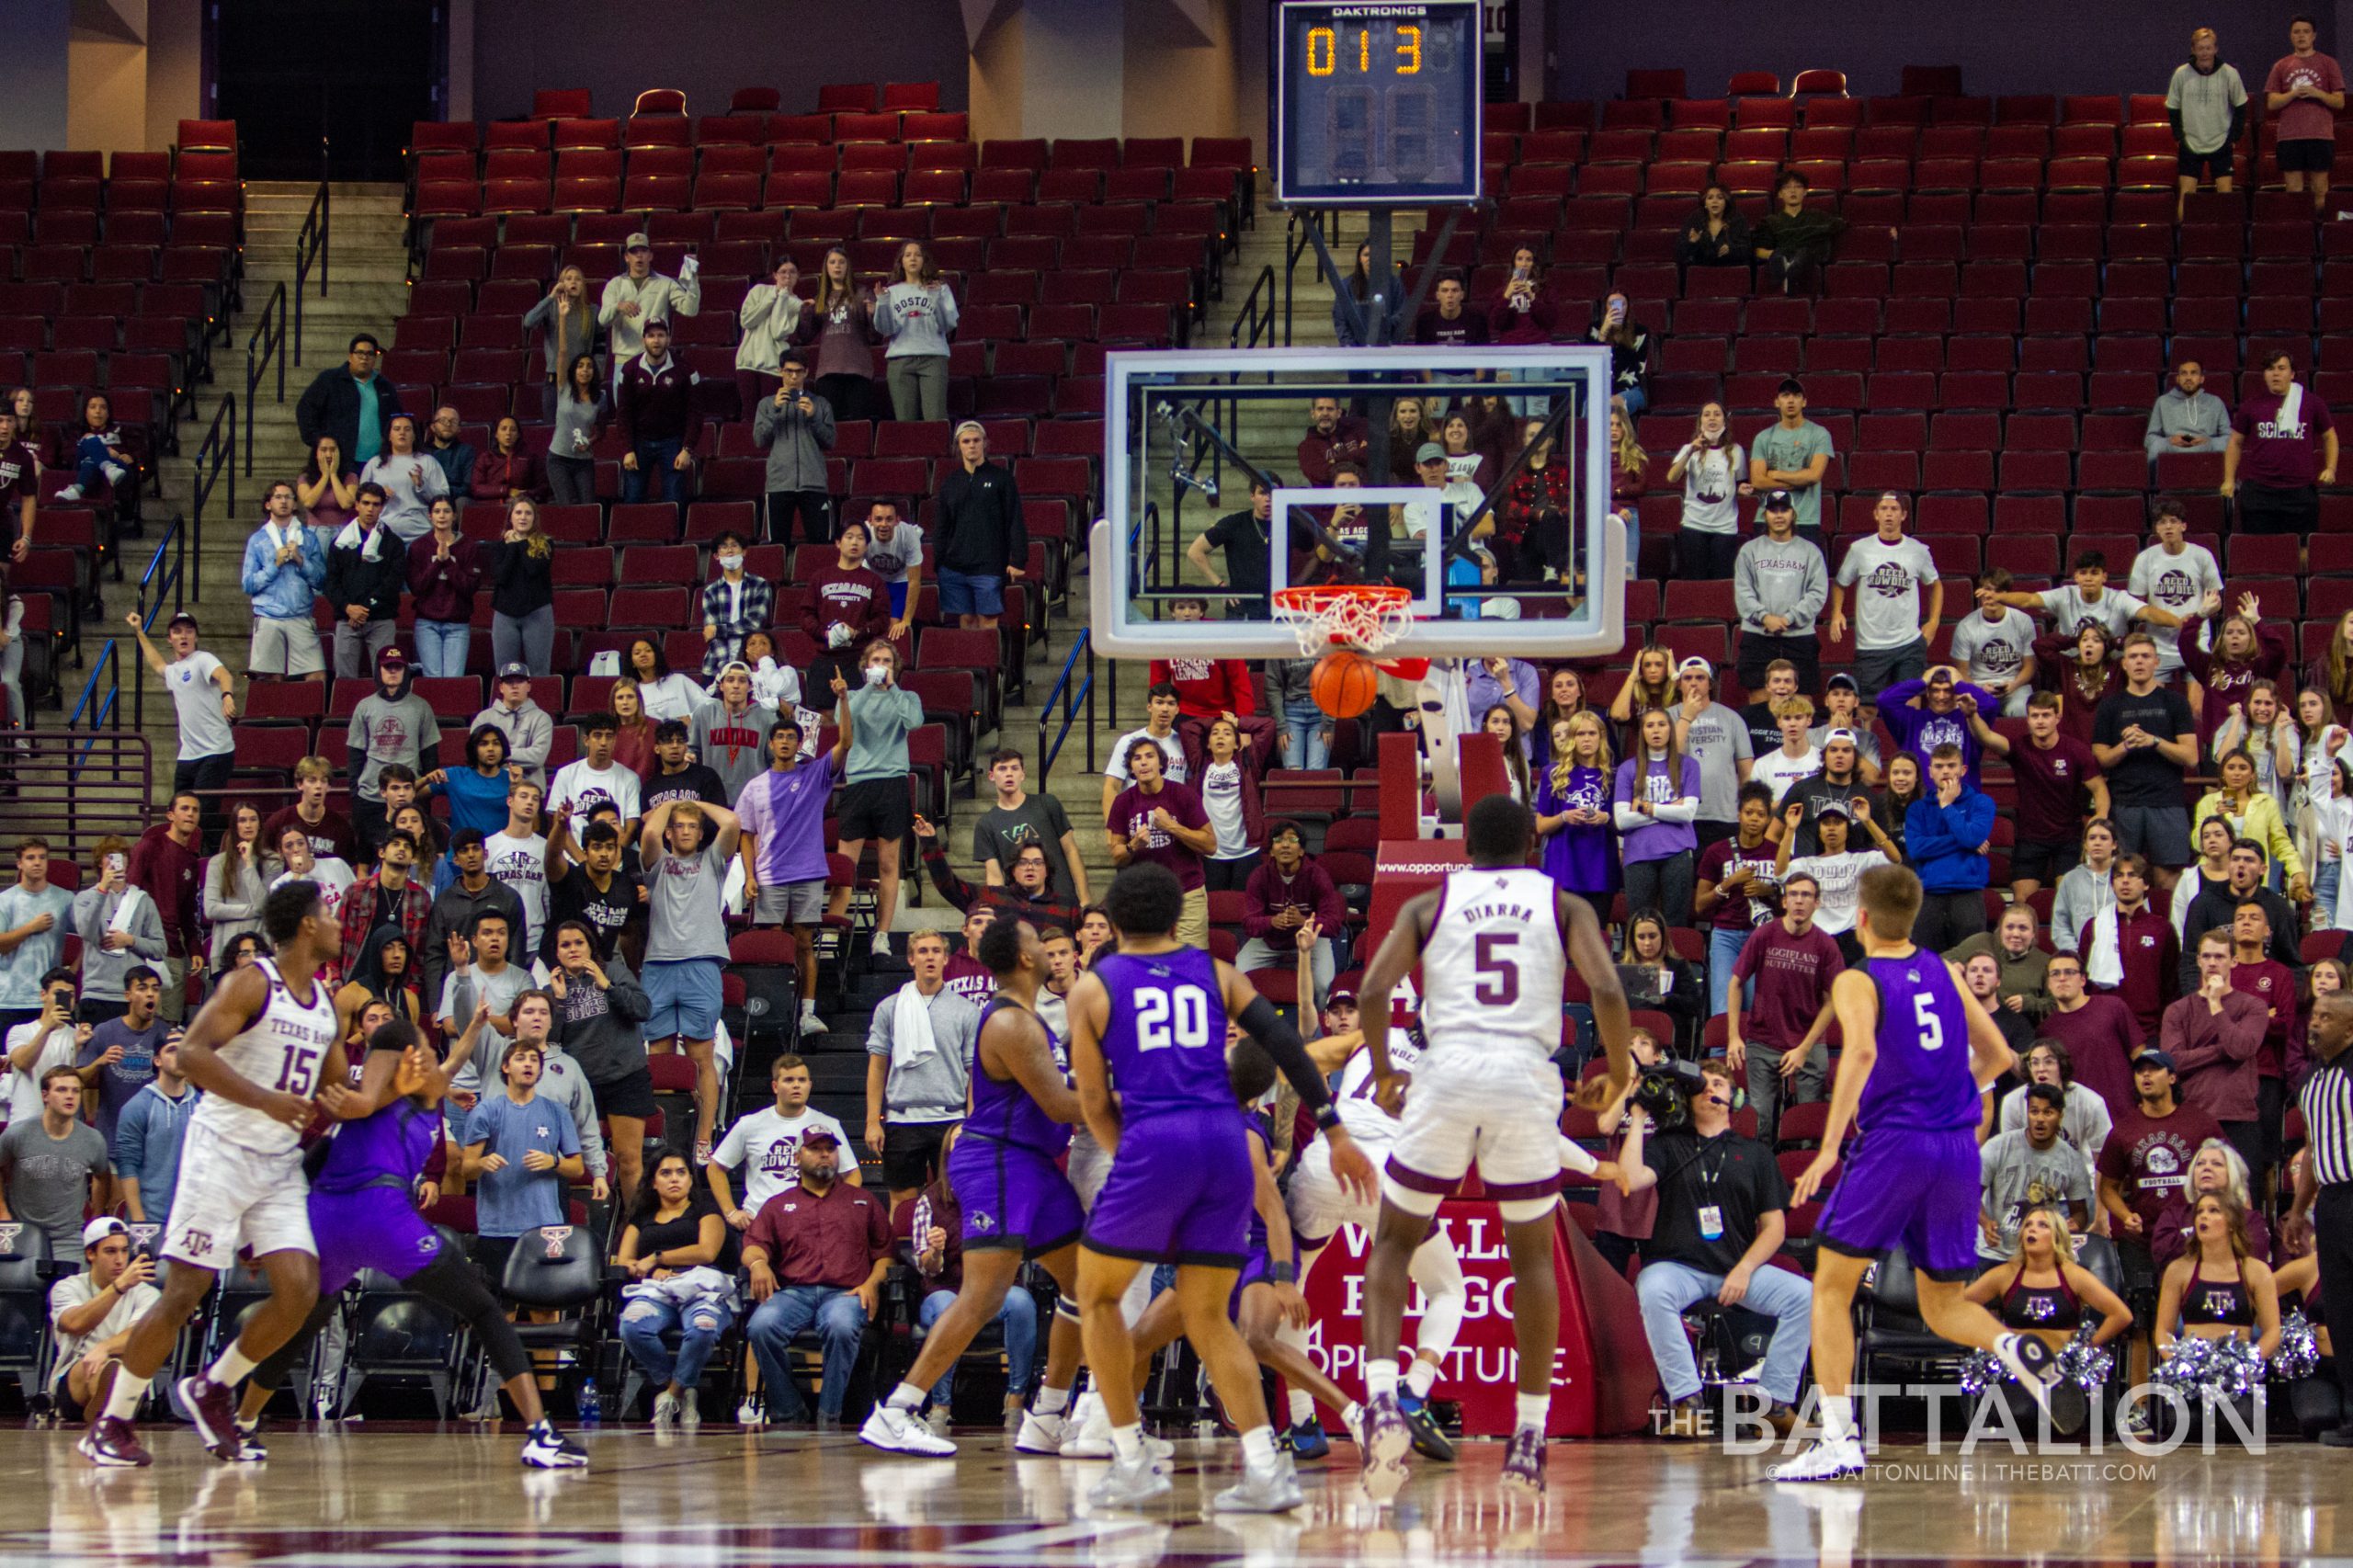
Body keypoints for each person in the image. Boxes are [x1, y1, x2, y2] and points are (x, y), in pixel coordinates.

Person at [1064, 863, 1378, 1510]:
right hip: (1228, 1143)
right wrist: (1336, 1129)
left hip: (1158, 1140)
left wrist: (1138, 1159)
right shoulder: (1216, 973)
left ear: (1116, 924)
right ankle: (1265, 1470)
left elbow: (1093, 1101)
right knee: (1208, 1315)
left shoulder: (1092, 987)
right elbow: (1288, 1044)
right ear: (1180, 919)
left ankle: (1128, 1457)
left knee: (1095, 1298)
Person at [1346, 797, 1626, 1500]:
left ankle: (1383, 1399)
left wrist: (1383, 1070)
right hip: (1525, 1076)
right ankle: (1527, 1440)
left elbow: (1375, 987)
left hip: (1446, 1070)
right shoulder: (1563, 902)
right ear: (1535, 839)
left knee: (1392, 1243)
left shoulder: (1430, 902)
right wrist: (1618, 1072)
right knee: (1530, 1257)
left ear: (1465, 843)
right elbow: (1608, 988)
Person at [1772, 865, 2081, 1482]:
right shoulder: (1943, 969)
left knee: (1830, 1287)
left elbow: (1859, 1051)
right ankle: (2014, 1350)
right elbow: (2001, 1057)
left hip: (1894, 1144)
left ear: (1859, 919)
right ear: (1912, 919)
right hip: (1957, 1149)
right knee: (1941, 1304)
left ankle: (1836, 1439)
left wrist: (1830, 1146)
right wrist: (1949, 1093)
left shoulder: (1858, 978)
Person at [75, 881, 347, 1469]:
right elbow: (192, 1055)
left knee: (301, 1290)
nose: (336, 922)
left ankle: (214, 1386)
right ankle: (112, 1422)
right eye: (327, 913)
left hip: (276, 1165)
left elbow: (339, 1091)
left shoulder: (326, 1003)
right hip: (220, 1151)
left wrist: (409, 1081)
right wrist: (266, 1099)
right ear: (304, 924)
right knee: (183, 1294)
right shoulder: (252, 982)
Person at [243, 1012, 588, 1465]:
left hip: (326, 1220)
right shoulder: (389, 1096)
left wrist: (473, 1029)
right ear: (406, 1061)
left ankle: (242, 1424)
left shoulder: (404, 1097)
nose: (434, 1059)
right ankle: (540, 1434)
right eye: (424, 1049)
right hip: (380, 1215)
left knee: (298, 1326)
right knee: (484, 1308)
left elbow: (314, 1161)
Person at [859, 917, 1093, 1456]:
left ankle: (1050, 1415)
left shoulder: (1032, 1018)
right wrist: (1150, 1103)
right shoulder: (1012, 1023)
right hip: (998, 1162)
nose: (1051, 948)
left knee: (1085, 1284)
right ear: (1026, 958)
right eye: (1039, 940)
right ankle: (898, 1410)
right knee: (985, 1294)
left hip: (1033, 1165)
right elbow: (1061, 1105)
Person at [1627, 1056, 1811, 1434]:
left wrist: (1744, 1269)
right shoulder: (1669, 1144)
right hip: (1679, 1268)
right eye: (1703, 1084)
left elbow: (1774, 1229)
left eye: (1719, 1084)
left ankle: (1774, 1404)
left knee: (1805, 1296)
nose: (1710, 1089)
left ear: (1735, 1098)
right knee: (1652, 1287)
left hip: (1737, 1270)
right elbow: (1630, 1179)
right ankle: (1687, 1402)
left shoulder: (1756, 1155)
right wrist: (1639, 1110)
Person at [740, 1126, 892, 1426]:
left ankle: (829, 1414)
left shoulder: (862, 1201)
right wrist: (758, 1265)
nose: (824, 1154)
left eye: (830, 1149)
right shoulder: (778, 1205)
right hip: (793, 1292)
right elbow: (753, 1246)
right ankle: (789, 1411)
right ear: (798, 1156)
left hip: (846, 1293)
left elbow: (885, 1254)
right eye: (815, 1148)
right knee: (760, 1325)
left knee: (841, 1325)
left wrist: (872, 1284)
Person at [637, 798, 740, 1165]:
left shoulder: (713, 861)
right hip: (659, 964)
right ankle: (661, 1136)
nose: (685, 831)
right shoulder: (657, 864)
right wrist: (671, 809)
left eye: (692, 826)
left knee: (701, 1056)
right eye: (678, 825)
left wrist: (692, 803)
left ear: (700, 834)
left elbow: (731, 822)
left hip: (701, 963)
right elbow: (648, 832)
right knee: (659, 1057)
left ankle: (702, 1138)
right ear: (670, 831)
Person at [862, 928, 980, 1213]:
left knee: (954, 1200)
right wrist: (872, 1121)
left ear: (946, 959)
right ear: (911, 959)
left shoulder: (966, 1011)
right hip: (903, 1119)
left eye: (936, 951)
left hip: (951, 1119)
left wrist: (972, 1121)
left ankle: (951, 1257)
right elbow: (878, 1066)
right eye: (923, 951)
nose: (930, 957)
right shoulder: (889, 1008)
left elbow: (974, 1072)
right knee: (902, 1205)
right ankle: (903, 1258)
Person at [2280, 989, 2353, 1444]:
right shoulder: (2311, 1082)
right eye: (2314, 1015)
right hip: (2331, 1202)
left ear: (2350, 1028)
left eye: (2327, 1016)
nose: (2315, 1022)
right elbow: (2312, 1153)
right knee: (2344, 1312)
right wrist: (2295, 1209)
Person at [616, 1146, 732, 1427]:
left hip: (701, 1287)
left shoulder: (706, 1210)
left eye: (681, 1172)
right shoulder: (641, 1218)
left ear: (691, 1180)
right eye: (665, 1173)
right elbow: (624, 1261)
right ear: (653, 1182)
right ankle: (681, 1389)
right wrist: (651, 1271)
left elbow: (707, 1252)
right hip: (657, 1291)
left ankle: (669, 1396)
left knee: (703, 1328)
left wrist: (658, 1258)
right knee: (631, 1326)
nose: (674, 1179)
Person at [1725, 869, 1843, 1142]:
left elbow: (1832, 1001)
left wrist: (1803, 1049)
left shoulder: (1826, 945)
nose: (1800, 901)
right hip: (1763, 1040)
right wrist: (1733, 1036)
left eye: (1806, 895)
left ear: (1817, 903)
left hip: (1809, 1043)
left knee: (1807, 1128)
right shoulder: (1764, 935)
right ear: (1784, 902)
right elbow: (1735, 983)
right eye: (1794, 895)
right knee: (1760, 1123)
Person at [2093, 633, 2200, 887]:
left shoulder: (2175, 702)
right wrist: (2126, 746)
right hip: (2125, 804)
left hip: (2167, 801)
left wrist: (2154, 741)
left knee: (2168, 879)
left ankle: (2168, 928)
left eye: (2145, 656)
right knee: (2124, 877)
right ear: (2124, 664)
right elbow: (2102, 758)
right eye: (2133, 657)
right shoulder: (2110, 706)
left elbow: (2191, 756)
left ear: (2157, 662)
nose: (2139, 662)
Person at [710, 1053, 858, 1230]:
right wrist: (731, 1212)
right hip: (761, 1222)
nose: (796, 1085)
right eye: (789, 1080)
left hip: (812, 1223)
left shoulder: (828, 1125)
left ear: (810, 1085)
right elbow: (716, 1167)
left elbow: (852, 1174)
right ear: (775, 1086)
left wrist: (833, 1207)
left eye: (802, 1080)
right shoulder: (749, 1124)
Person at [46, 1218, 161, 1425]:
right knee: (99, 1369)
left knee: (115, 1368)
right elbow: (75, 1323)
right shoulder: (66, 1287)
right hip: (75, 1379)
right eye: (110, 1251)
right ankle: (111, 1420)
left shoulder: (147, 1293)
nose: (120, 1260)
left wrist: (105, 1348)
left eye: (125, 1251)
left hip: (130, 1373)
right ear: (91, 1254)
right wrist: (119, 1286)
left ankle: (107, 1416)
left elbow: (142, 1335)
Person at [1829, 492, 1942, 702]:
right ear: (1876, 514)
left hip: (1908, 642)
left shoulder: (1918, 550)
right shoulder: (1859, 549)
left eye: (1894, 509)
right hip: (1870, 644)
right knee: (1867, 709)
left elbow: (1935, 584)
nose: (1889, 514)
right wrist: (1837, 613)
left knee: (1910, 705)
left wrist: (1934, 621)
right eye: (1884, 509)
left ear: (1903, 515)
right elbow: (1840, 584)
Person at [2224, 350, 2338, 537]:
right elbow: (2235, 442)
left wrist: (2331, 468)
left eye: (2281, 368)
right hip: (2259, 492)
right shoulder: (2251, 405)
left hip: (2300, 492)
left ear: (2292, 374)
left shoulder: (2312, 403)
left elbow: (2330, 436)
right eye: (2270, 369)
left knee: (2302, 548)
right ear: (2264, 375)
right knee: (2260, 548)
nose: (2275, 373)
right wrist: (2229, 479)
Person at [0, 1065, 108, 1260]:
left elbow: (102, 1176)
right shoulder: (17, 1134)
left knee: (73, 1288)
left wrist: (95, 1217)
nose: (70, 1096)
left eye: (76, 1091)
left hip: (68, 1236)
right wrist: (3, 1212)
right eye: (62, 1090)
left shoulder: (93, 1139)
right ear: (45, 1096)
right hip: (21, 1231)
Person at [1979, 1083, 2095, 1260]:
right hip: (1996, 1253)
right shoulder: (1998, 1146)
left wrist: (2074, 1224)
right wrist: (1986, 1223)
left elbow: (2079, 1211)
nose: (2040, 1119)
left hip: (2042, 1255)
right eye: (2034, 1111)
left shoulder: (2072, 1159)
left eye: (2048, 1112)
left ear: (2060, 1116)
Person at [1614, 707, 1701, 928]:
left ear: (1670, 730)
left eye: (1662, 724)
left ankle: (1673, 964)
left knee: (1675, 922)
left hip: (1678, 852)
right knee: (1639, 922)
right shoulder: (1628, 769)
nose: (1656, 730)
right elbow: (1622, 820)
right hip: (1639, 854)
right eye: (1649, 725)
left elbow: (1688, 813)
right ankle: (1639, 965)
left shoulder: (1689, 765)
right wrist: (1666, 810)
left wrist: (1645, 808)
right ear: (1642, 731)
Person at [934, 423, 1026, 631]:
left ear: (985, 443)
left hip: (989, 564)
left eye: (976, 440)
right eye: (966, 441)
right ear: (959, 446)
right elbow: (941, 526)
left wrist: (1018, 558)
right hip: (954, 566)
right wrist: (939, 562)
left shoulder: (1001, 478)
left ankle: (989, 664)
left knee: (987, 622)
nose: (972, 445)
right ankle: (969, 664)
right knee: (966, 621)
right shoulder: (950, 483)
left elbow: (1015, 519)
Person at [1733, 489, 1825, 693]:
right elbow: (1743, 592)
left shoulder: (1811, 551)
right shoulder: (1749, 550)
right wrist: (1765, 617)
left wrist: (1789, 618)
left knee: (1803, 702)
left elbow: (1817, 593)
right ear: (1765, 515)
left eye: (1784, 510)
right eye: (1773, 510)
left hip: (1799, 635)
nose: (1779, 515)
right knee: (1759, 699)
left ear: (1793, 514)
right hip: (1758, 634)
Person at [970, 748, 1086, 907]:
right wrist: (997, 910)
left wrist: (1085, 898)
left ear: (1022, 774)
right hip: (1022, 907)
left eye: (1014, 768)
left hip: (1062, 901)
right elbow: (995, 876)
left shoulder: (1047, 804)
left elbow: (1071, 850)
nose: (1009, 774)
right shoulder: (986, 824)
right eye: (1002, 769)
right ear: (991, 776)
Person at [74, 961, 170, 1152]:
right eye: (142, 988)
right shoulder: (104, 1031)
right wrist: (99, 1063)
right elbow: (78, 1081)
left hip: (152, 1138)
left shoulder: (166, 1034)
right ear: (128, 995)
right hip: (111, 1135)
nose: (150, 994)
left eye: (155, 989)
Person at [128, 793, 205, 1025]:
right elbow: (130, 893)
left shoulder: (192, 860)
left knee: (170, 1024)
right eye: (184, 808)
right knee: (143, 1022)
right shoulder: (149, 846)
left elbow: (187, 911)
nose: (190, 813)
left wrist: (194, 948)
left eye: (195, 810)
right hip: (145, 949)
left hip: (173, 950)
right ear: (171, 815)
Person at [240, 483, 327, 681]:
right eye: (278, 497)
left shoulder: (308, 538)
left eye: (288, 497)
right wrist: (274, 565)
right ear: (268, 504)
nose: (284, 501)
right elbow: (248, 584)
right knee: (270, 679)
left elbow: (321, 580)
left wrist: (300, 561)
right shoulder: (258, 540)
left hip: (301, 615)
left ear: (295, 504)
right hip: (269, 616)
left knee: (316, 677)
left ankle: (307, 713)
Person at [110, 1030, 197, 1224]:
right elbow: (127, 1166)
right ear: (157, 1060)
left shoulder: (202, 1107)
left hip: (191, 1220)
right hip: (150, 1218)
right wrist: (139, 1221)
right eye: (173, 1050)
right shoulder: (137, 1106)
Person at [73, 845, 165, 1026]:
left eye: (121, 855)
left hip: (132, 994)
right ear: (100, 862)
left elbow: (160, 948)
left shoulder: (142, 900)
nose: (116, 860)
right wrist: (102, 890)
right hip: (96, 992)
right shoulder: (84, 898)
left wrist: (130, 940)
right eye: (110, 855)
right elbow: (86, 932)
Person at [2265, 16, 2347, 214]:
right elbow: (2272, 102)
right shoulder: (2281, 65)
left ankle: (2320, 233)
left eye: (2305, 31)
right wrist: (2294, 93)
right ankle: (2300, 232)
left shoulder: (2328, 63)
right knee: (2294, 191)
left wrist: (2316, 93)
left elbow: (2339, 102)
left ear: (2314, 36)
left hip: (2320, 135)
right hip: (2290, 137)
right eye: (2297, 32)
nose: (2301, 36)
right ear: (2291, 36)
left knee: (2320, 189)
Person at [323, 483, 406, 677]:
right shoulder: (340, 542)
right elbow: (331, 582)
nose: (370, 509)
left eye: (376, 504)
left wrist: (363, 608)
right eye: (366, 503)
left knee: (387, 677)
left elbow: (392, 582)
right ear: (357, 505)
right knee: (345, 679)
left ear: (382, 507)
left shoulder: (393, 543)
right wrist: (348, 608)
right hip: (347, 618)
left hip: (381, 619)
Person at [1670, 658, 1755, 851]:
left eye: (1700, 678)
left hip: (1724, 815)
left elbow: (1746, 772)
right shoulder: (1667, 716)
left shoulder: (1732, 718)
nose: (1693, 683)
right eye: (1688, 678)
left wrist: (1743, 809)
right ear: (1679, 684)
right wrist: (1687, 715)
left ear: (1710, 684)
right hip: (1680, 814)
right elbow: (1670, 757)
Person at [615, 319, 701, 507]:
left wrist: (687, 449)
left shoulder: (686, 369)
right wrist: (627, 449)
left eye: (661, 335)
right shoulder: (629, 369)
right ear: (643, 340)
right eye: (651, 336)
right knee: (633, 500)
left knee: (674, 502)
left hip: (673, 442)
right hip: (639, 443)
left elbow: (695, 413)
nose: (656, 340)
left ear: (669, 339)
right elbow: (623, 412)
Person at [755, 350, 836, 547]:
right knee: (777, 546)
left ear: (806, 372)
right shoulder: (766, 404)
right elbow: (759, 440)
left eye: (798, 372)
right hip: (779, 484)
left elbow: (830, 442)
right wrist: (775, 410)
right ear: (780, 371)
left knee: (821, 544)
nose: (793, 377)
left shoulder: (821, 404)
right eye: (789, 371)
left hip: (814, 483)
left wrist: (814, 417)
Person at [801, 520, 890, 696]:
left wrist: (857, 633)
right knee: (824, 715)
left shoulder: (874, 581)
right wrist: (825, 633)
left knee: (857, 714)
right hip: (825, 657)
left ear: (867, 546)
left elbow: (882, 620)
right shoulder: (820, 577)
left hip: (859, 658)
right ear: (838, 543)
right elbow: (806, 615)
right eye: (849, 537)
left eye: (860, 538)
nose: (855, 542)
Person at [872, 241, 957, 423]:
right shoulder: (892, 292)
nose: (913, 258)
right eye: (908, 255)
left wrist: (936, 300)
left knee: (935, 421)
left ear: (924, 260)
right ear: (901, 261)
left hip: (933, 357)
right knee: (905, 423)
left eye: (917, 255)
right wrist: (883, 303)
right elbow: (885, 330)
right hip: (900, 360)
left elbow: (947, 326)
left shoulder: (940, 289)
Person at [795, 246, 881, 421]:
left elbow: (876, 336)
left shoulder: (862, 293)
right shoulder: (820, 297)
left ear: (848, 266)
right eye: (832, 262)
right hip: (828, 371)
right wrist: (805, 313)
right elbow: (805, 336)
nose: (837, 266)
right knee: (830, 426)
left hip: (858, 370)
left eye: (841, 262)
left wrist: (873, 315)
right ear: (826, 267)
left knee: (859, 426)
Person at [0, 840, 72, 1044]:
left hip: (55, 997)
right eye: (30, 858)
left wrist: (71, 973)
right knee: (8, 1066)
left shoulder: (65, 898)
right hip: (10, 998)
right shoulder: (5, 900)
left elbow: (89, 936)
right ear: (19, 864)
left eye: (42, 857)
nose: (37, 862)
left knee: (58, 1061)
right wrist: (30, 928)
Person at [294, 335, 402, 469]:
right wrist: (318, 440)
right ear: (350, 356)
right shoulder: (330, 380)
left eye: (370, 354)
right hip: (339, 461)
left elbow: (396, 418)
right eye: (360, 353)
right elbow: (306, 410)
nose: (364, 358)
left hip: (378, 461)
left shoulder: (384, 386)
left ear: (375, 358)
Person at [599, 231, 700, 362]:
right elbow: (602, 320)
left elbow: (690, 310)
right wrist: (618, 307)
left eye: (643, 251)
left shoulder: (666, 283)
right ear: (626, 257)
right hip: (624, 358)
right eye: (634, 252)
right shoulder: (614, 285)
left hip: (656, 358)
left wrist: (693, 282)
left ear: (650, 256)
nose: (639, 256)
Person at [1949, 574, 2038, 719]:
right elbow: (1962, 672)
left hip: (2015, 685)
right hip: (1978, 685)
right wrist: (1980, 689)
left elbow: (2030, 666)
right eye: (1987, 591)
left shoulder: (2023, 621)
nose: (1990, 597)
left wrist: (2014, 685)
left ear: (2006, 596)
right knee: (1968, 710)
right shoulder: (1966, 626)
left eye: (1996, 592)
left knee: (2021, 709)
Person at [357, 413, 449, 544]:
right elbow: (362, 500)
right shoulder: (374, 464)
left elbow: (444, 499)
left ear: (414, 435)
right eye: (397, 429)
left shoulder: (428, 462)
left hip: (421, 535)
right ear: (389, 435)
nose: (402, 433)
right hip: (384, 535)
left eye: (407, 429)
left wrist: (422, 485)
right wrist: (379, 495)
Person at [1751, 169, 1847, 295]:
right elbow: (1759, 250)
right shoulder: (1770, 222)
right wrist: (1780, 254)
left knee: (1805, 254)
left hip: (1809, 265)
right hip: (1781, 259)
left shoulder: (1818, 217)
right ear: (1780, 194)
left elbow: (1840, 225)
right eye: (1787, 187)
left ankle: (1791, 274)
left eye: (1798, 186)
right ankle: (1787, 271)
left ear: (1805, 192)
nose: (1793, 191)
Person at [523, 265, 598, 424]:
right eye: (569, 279)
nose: (574, 282)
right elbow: (529, 322)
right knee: (551, 431)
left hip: (581, 382)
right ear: (561, 283)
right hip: (553, 381)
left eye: (578, 279)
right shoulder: (551, 308)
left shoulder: (592, 311)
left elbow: (600, 347)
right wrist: (551, 297)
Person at [734, 256, 802, 415]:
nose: (787, 276)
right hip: (747, 363)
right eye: (783, 272)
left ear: (798, 275)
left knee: (770, 415)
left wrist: (783, 297)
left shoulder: (798, 305)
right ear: (775, 275)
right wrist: (773, 296)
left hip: (773, 366)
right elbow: (746, 321)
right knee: (749, 415)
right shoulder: (759, 291)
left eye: (792, 272)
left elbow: (778, 332)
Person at [2146, 358, 2234, 468]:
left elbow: (2229, 437)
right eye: (2184, 373)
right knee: (2156, 446)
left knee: (2230, 447)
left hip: (2207, 451)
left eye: (2193, 373)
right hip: (2173, 450)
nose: (2188, 377)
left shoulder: (2215, 402)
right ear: (2178, 379)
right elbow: (2150, 438)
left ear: (2201, 379)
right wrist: (2169, 441)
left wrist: (2210, 442)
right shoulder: (2163, 402)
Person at [546, 354, 603, 506]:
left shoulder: (601, 397)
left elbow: (601, 431)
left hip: (584, 461)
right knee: (566, 505)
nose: (585, 370)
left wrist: (589, 442)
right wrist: (563, 328)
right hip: (558, 459)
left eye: (589, 366)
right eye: (580, 366)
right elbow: (562, 354)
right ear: (574, 370)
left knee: (588, 506)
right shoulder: (564, 387)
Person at [862, 499, 923, 637]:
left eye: (889, 519)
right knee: (870, 625)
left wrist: (906, 621)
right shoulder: (862, 533)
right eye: (878, 519)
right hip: (873, 580)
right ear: (870, 520)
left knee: (895, 626)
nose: (884, 524)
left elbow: (914, 581)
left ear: (897, 521)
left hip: (900, 581)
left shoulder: (909, 535)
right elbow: (851, 571)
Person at [1587, 291, 1651, 414]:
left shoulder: (1640, 332)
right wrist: (1603, 333)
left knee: (1613, 403)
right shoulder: (1594, 329)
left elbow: (1637, 367)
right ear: (1605, 307)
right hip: (1599, 390)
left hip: (1631, 389)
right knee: (1591, 404)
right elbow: (1591, 363)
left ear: (1628, 308)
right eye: (1612, 304)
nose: (1618, 308)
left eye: (1623, 304)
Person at [1677, 182, 1753, 271]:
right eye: (1710, 198)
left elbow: (1748, 250)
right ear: (1705, 203)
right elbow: (1680, 253)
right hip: (1701, 271)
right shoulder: (1696, 219)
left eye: (1720, 198)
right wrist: (1692, 243)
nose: (1715, 201)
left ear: (1726, 202)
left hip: (1730, 270)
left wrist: (1731, 249)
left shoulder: (1737, 219)